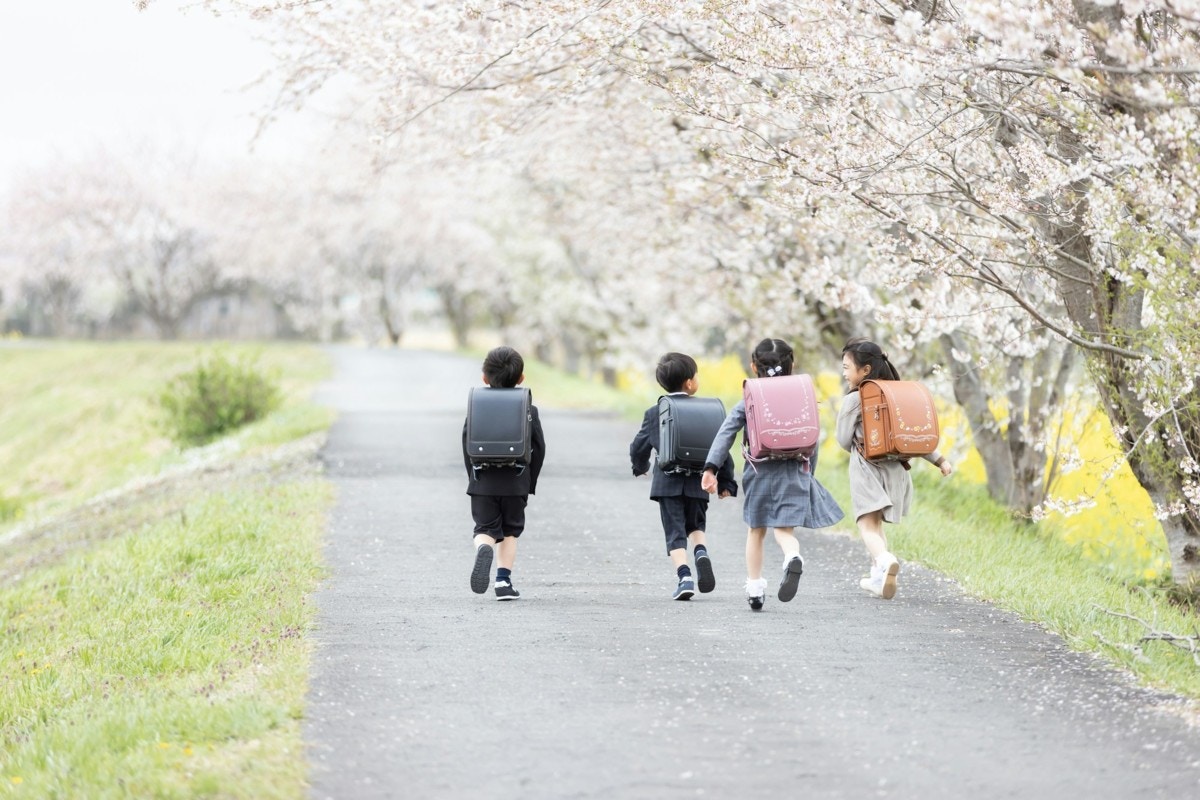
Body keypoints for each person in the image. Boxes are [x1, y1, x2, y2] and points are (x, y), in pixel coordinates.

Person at [701, 338, 845, 611]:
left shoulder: (751, 397)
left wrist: (711, 468)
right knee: (783, 529)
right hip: (795, 468)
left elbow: (726, 433)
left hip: (760, 471)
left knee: (756, 530)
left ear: (753, 365)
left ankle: (755, 588)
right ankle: (792, 555)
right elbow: (811, 437)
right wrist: (808, 473)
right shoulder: (804, 395)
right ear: (793, 364)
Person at [836, 337, 952, 599]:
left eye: (846, 367)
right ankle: (879, 577)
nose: (843, 373)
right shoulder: (896, 394)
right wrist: (940, 460)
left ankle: (885, 560)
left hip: (867, 467)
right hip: (896, 471)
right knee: (877, 526)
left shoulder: (855, 399)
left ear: (864, 370)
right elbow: (913, 434)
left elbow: (843, 440)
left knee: (866, 526)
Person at [630, 352, 738, 601]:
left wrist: (640, 465)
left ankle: (684, 576)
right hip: (699, 480)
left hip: (667, 483)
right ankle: (700, 550)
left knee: (674, 532)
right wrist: (727, 483)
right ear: (689, 383)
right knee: (696, 525)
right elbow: (720, 449)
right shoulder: (708, 410)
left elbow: (639, 446)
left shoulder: (654, 412)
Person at [463, 346, 546, 600]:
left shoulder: (477, 404)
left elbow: (466, 443)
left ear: (484, 378)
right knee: (510, 532)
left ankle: (483, 547)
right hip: (515, 481)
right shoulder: (528, 409)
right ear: (521, 379)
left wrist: (473, 478)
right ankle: (502, 582)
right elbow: (539, 448)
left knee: (484, 528)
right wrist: (528, 483)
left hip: (483, 480)